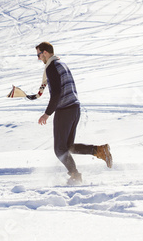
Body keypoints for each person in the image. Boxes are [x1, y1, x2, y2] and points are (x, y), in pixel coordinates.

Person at [34, 42, 112, 185]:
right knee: (68, 147)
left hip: (64, 110)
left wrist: (47, 114)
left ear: (45, 52)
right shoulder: (61, 63)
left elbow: (56, 93)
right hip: (74, 108)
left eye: (39, 54)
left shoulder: (52, 67)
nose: (39, 58)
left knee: (59, 150)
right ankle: (100, 150)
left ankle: (75, 175)